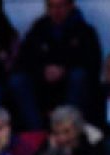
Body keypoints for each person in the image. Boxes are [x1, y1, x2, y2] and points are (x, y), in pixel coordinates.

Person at [10, 0, 102, 129]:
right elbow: (23, 60)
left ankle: (68, 127)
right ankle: (37, 132)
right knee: (17, 80)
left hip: (70, 84)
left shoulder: (85, 32)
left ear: (71, 6)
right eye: (51, 6)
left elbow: (92, 64)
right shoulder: (38, 29)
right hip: (42, 85)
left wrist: (64, 70)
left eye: (60, 6)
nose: (56, 11)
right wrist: (42, 71)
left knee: (79, 76)